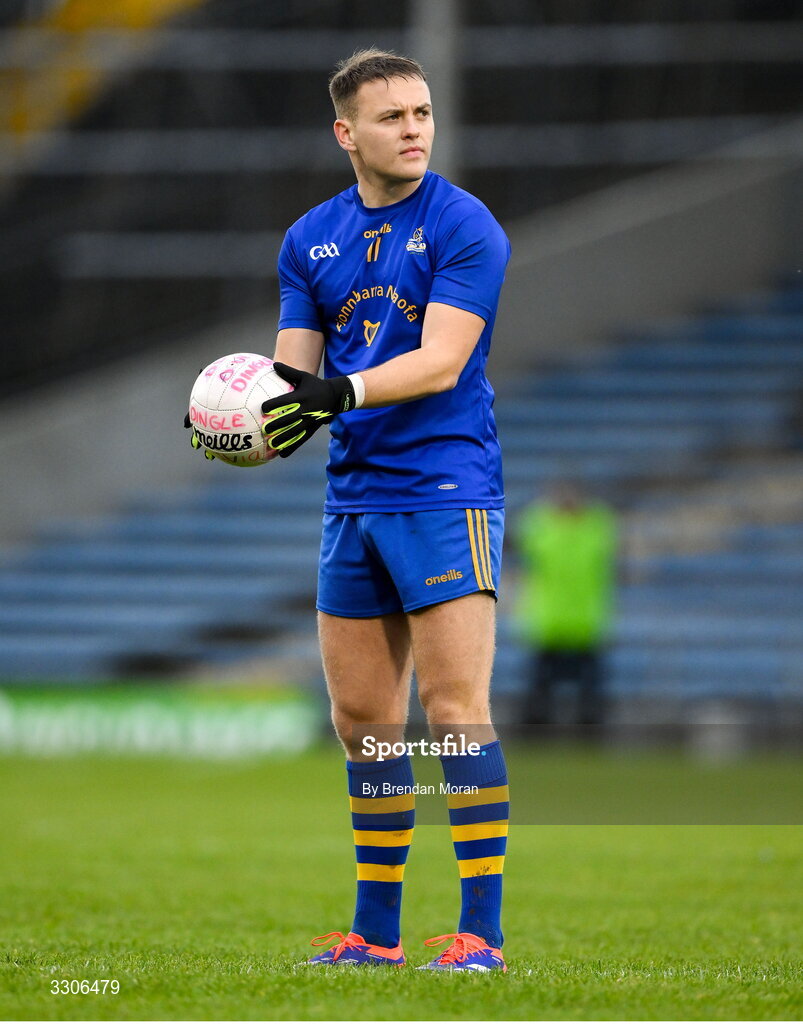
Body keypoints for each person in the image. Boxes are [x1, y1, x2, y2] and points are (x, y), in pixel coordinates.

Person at [197, 49, 511, 971]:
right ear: (346, 133)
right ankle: (375, 937)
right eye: (392, 117)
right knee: (363, 721)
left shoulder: (463, 222)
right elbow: (293, 377)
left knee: (455, 711)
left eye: (421, 113)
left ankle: (479, 937)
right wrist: (243, 416)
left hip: (444, 487)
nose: (415, 129)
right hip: (355, 496)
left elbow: (444, 361)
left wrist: (334, 395)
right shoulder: (309, 238)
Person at [516, 482, 617, 730]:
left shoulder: (591, 529)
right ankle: (538, 730)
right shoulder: (554, 529)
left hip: (580, 621)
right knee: (541, 687)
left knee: (587, 690)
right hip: (553, 620)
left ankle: (586, 731)